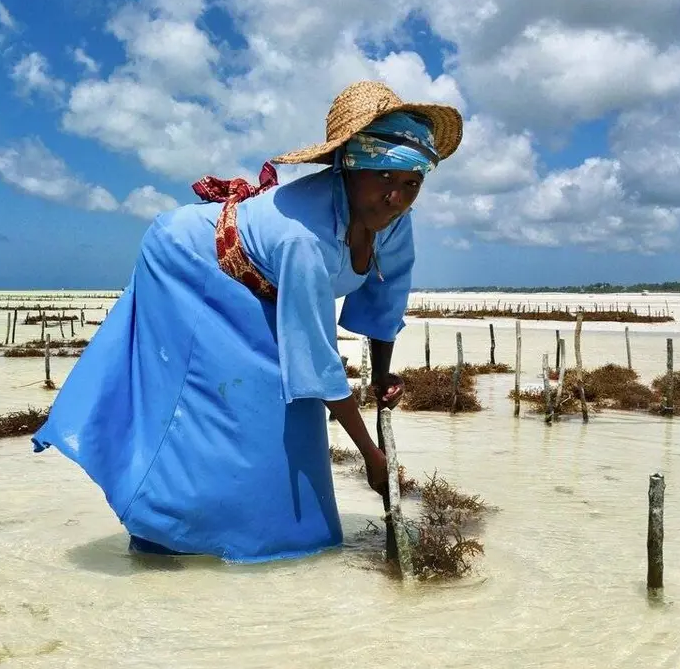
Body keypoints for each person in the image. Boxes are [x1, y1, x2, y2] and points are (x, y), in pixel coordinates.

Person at [30, 81, 463, 563]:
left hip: (262, 281)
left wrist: (383, 373)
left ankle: (274, 538)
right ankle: (166, 530)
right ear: (349, 166)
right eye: (385, 177)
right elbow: (314, 359)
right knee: (226, 404)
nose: (396, 197)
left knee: (281, 412)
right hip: (190, 262)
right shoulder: (305, 240)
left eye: (411, 183)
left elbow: (387, 295)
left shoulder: (395, 222)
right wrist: (370, 455)